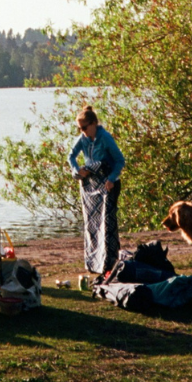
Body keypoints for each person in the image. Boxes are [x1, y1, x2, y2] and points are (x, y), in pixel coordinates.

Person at [67, 105, 125, 275]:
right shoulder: (83, 139)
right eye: (79, 128)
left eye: (84, 127)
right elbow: (71, 155)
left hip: (108, 185)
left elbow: (120, 161)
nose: (82, 131)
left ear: (93, 124)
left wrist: (112, 178)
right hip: (91, 187)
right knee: (92, 226)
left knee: (107, 225)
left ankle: (109, 262)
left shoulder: (105, 137)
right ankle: (94, 263)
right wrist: (76, 170)